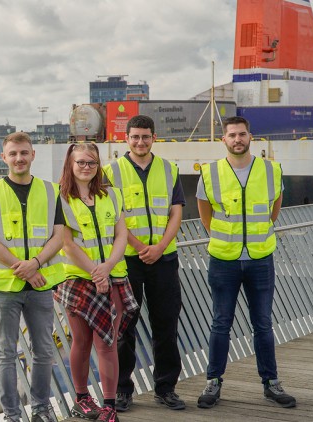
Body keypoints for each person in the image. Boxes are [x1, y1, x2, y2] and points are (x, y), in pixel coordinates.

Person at [196, 116, 296, 409]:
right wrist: (220, 236)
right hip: (223, 260)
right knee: (220, 323)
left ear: (250, 136)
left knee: (263, 324)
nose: (237, 139)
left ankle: (271, 383)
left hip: (260, 257)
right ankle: (213, 382)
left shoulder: (271, 169)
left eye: (242, 134)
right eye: (232, 135)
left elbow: (274, 208)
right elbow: (204, 210)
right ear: (223, 140)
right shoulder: (210, 172)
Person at [0, 132, 65, 422]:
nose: (19, 158)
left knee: (43, 351)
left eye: (24, 153)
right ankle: (12, 415)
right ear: (4, 158)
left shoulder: (51, 191)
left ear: (33, 155)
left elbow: (60, 235)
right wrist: (22, 265)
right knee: (6, 354)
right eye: (13, 154)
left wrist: (36, 263)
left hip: (41, 284)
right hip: (5, 286)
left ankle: (41, 410)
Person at [103, 115, 186, 411]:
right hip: (127, 262)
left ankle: (166, 388)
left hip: (164, 259)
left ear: (154, 138)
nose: (140, 142)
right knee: (125, 326)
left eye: (146, 137)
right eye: (135, 137)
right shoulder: (110, 172)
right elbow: (113, 217)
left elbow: (176, 212)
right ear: (126, 139)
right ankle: (123, 390)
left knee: (166, 323)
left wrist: (160, 246)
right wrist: (140, 248)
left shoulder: (169, 169)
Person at [57, 143, 139, 422]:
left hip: (113, 276)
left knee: (108, 343)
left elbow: (121, 236)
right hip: (77, 279)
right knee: (80, 341)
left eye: (91, 162)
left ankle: (109, 406)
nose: (86, 167)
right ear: (70, 164)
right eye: (80, 162)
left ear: (98, 165)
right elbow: (66, 244)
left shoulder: (111, 195)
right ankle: (81, 399)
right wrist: (95, 271)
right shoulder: (61, 199)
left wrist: (106, 268)